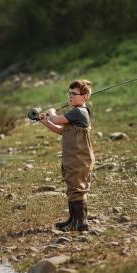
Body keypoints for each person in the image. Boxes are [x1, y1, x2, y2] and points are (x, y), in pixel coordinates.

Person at [39, 80, 95, 232]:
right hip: (72, 157)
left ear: (84, 97)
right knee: (72, 187)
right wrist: (45, 122)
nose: (70, 96)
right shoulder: (74, 114)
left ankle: (80, 222)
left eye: (74, 94)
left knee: (77, 189)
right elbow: (60, 130)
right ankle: (73, 219)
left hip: (79, 158)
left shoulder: (79, 112)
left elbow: (57, 119)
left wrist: (51, 112)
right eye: (69, 93)